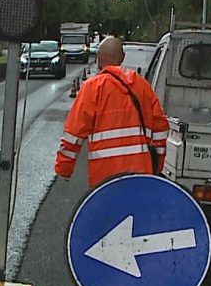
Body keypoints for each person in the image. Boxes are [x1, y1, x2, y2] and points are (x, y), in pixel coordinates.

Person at [55, 36, 169, 188]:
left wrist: (64, 169)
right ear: (122, 58)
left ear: (98, 59)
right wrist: (157, 165)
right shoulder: (143, 87)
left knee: (108, 212)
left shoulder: (92, 88)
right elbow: (160, 128)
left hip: (104, 177)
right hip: (140, 174)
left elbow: (73, 134)